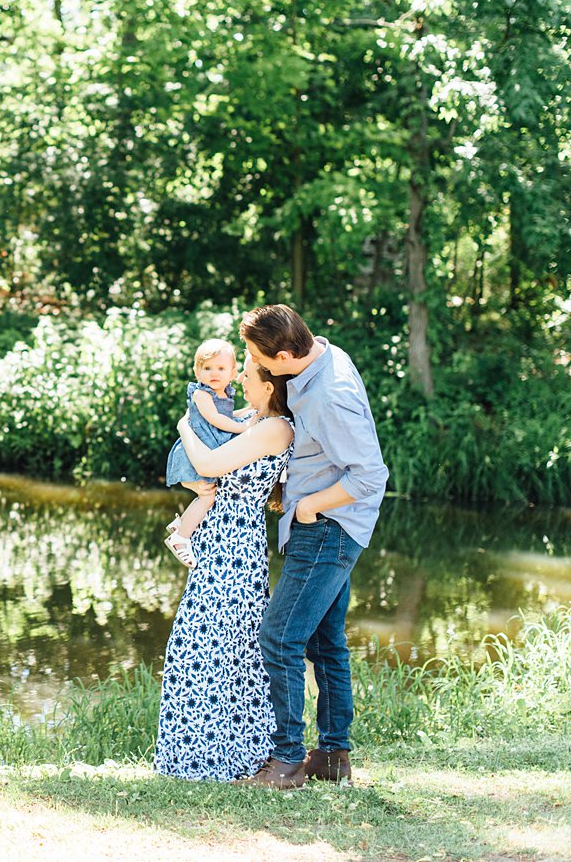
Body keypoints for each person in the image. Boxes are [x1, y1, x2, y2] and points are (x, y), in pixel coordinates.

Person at [236, 304, 388, 789]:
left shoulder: (329, 394)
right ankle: (332, 757)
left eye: (258, 357)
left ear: (284, 354)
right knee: (327, 644)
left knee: (279, 639)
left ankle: (286, 761)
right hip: (333, 525)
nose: (253, 364)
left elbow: (370, 475)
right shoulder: (323, 353)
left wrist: (308, 507)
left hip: (326, 528)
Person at [154, 361, 294, 782]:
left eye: (248, 377)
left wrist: (184, 428)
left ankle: (225, 755)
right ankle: (197, 755)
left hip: (235, 546)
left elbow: (212, 464)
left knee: (218, 646)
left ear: (269, 387)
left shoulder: (275, 428)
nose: (240, 384)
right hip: (221, 540)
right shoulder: (255, 420)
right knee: (205, 644)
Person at [163, 339, 250, 567]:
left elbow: (227, 417)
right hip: (195, 451)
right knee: (207, 495)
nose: (214, 373)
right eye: (207, 368)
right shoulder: (202, 395)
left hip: (208, 447)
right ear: (197, 371)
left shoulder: (224, 393)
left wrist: (249, 411)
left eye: (221, 368)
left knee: (208, 494)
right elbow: (216, 419)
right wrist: (245, 427)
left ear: (232, 372)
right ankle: (180, 538)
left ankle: (183, 523)